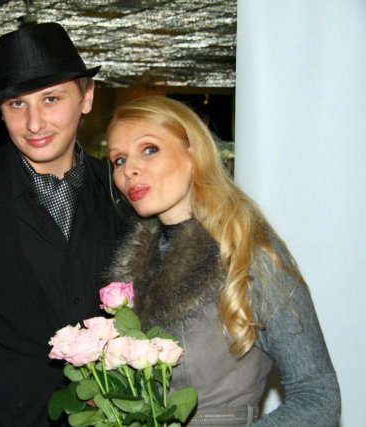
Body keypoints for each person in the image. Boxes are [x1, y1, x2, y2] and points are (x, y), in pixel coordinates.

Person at [0, 23, 124, 426]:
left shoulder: (120, 192)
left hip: (109, 415)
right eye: (17, 104)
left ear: (86, 97)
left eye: (51, 99)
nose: (34, 123)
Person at [104, 96, 341, 426]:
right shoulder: (137, 264)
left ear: (193, 152)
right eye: (118, 160)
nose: (129, 169)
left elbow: (318, 397)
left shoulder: (247, 254)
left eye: (149, 149)